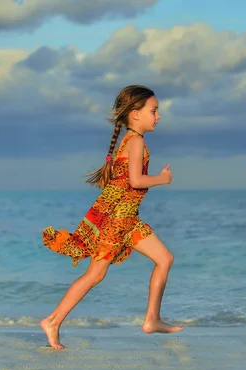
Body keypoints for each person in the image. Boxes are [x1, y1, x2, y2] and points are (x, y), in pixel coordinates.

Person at [40, 85, 182, 350]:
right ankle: (53, 320)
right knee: (95, 275)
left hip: (128, 219)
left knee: (164, 259)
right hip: (118, 222)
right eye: (154, 111)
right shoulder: (136, 141)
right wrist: (163, 179)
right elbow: (136, 180)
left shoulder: (130, 140)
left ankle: (152, 319)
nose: (158, 116)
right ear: (135, 113)